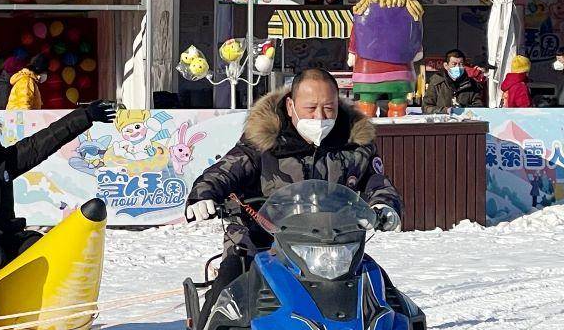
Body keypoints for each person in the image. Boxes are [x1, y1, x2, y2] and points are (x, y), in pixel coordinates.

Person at [184, 67, 400, 310]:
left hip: (333, 249)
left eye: (329, 108)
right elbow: (223, 172)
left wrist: (384, 205)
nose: (320, 117)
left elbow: (376, 181)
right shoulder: (262, 142)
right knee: (226, 299)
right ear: (290, 106)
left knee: (388, 300)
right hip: (259, 245)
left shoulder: (354, 144)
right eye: (311, 108)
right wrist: (204, 195)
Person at [0, 95, 115, 320]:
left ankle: (43, 308)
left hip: (4, 235)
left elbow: (41, 143)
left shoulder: (2, 161)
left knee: (37, 246)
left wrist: (84, 116)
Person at [419, 49, 484, 113]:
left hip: (464, 121)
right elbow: (426, 107)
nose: (457, 67)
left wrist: (462, 109)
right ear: (446, 66)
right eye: (454, 64)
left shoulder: (471, 84)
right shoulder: (437, 82)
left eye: (461, 64)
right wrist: (445, 110)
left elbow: (478, 107)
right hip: (442, 121)